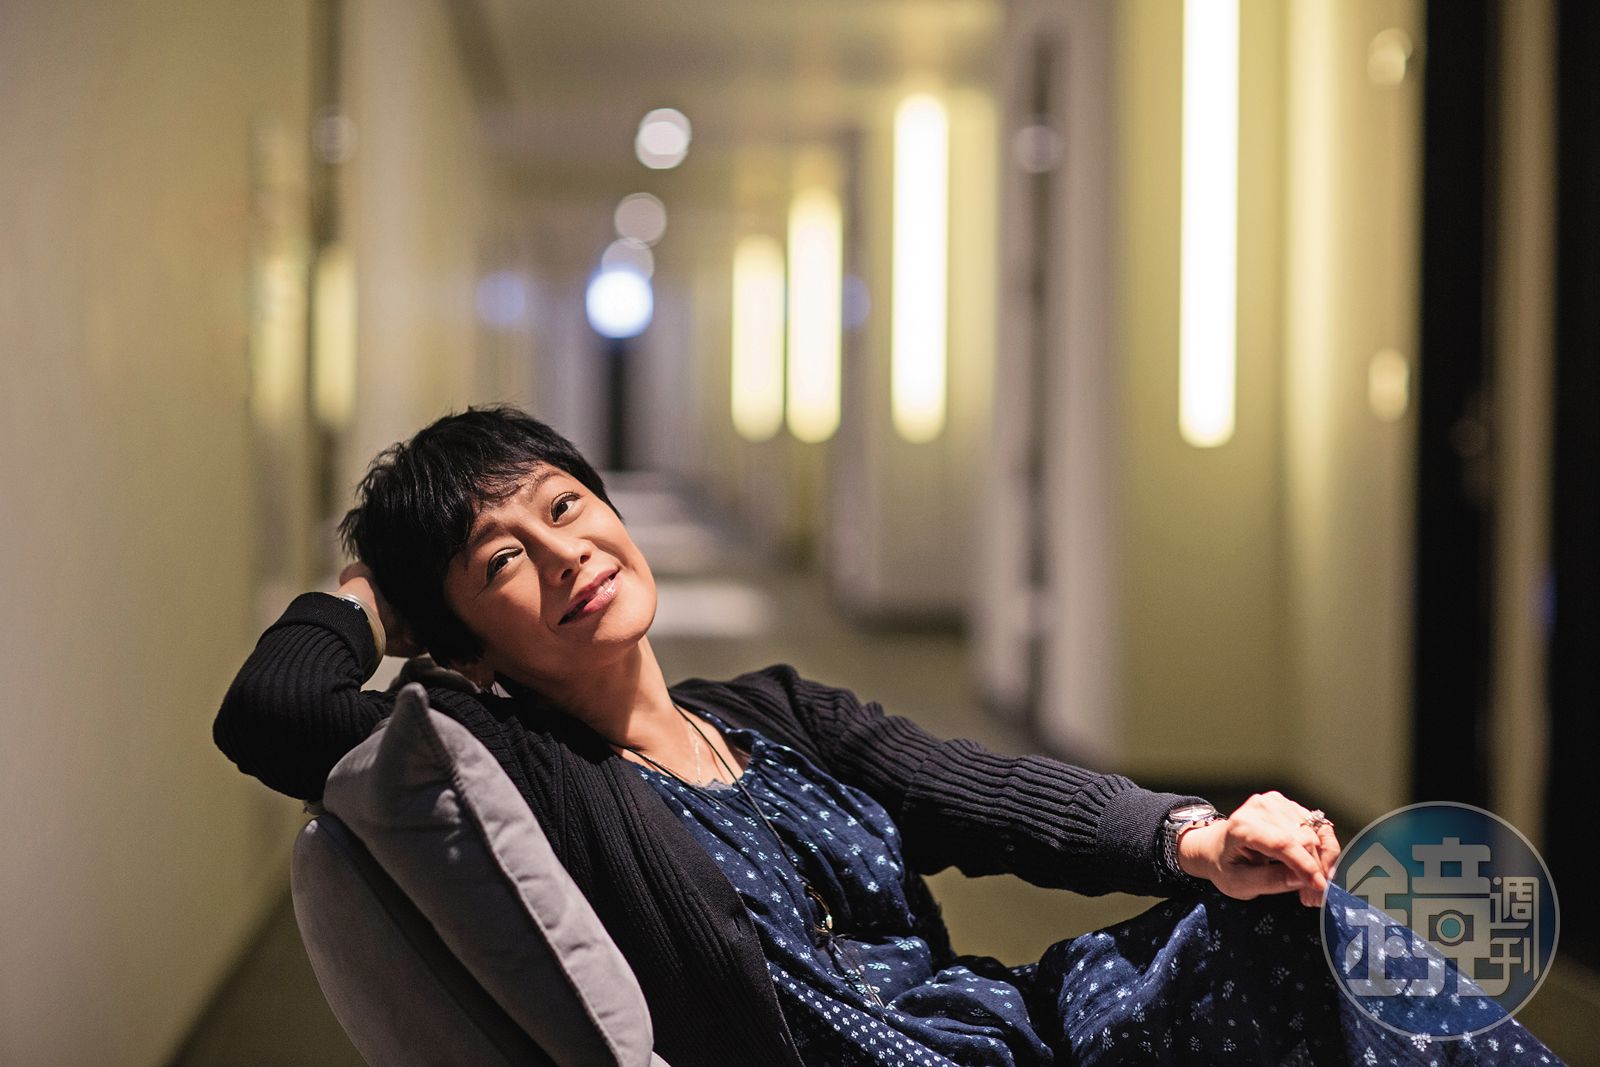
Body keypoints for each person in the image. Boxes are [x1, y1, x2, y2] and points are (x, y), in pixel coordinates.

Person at [214, 405, 1560, 1066]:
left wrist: (1194, 837)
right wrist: (370, 590)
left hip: (1001, 1029)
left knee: (1306, 920)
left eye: (565, 506)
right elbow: (272, 711)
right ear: (457, 639)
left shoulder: (766, 714)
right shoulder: (524, 766)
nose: (565, 554)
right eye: (502, 558)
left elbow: (979, 792)